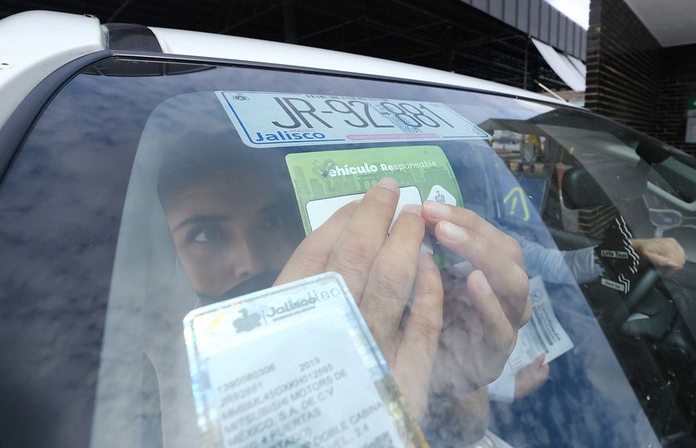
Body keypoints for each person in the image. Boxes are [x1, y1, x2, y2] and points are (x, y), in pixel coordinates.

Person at [157, 133, 531, 443]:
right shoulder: (154, 377)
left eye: (271, 220)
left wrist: (443, 380)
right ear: (161, 254)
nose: (250, 261)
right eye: (206, 234)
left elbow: (464, 434)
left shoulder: (370, 318)